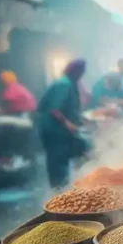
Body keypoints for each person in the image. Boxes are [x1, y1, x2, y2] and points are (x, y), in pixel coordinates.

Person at [37, 59, 90, 188]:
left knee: (82, 150)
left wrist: (81, 119)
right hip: (54, 131)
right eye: (81, 73)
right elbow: (54, 110)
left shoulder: (70, 83)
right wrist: (68, 124)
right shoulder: (64, 84)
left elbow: (70, 107)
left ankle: (69, 187)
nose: (82, 76)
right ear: (75, 72)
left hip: (62, 131)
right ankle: (59, 196)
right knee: (58, 164)